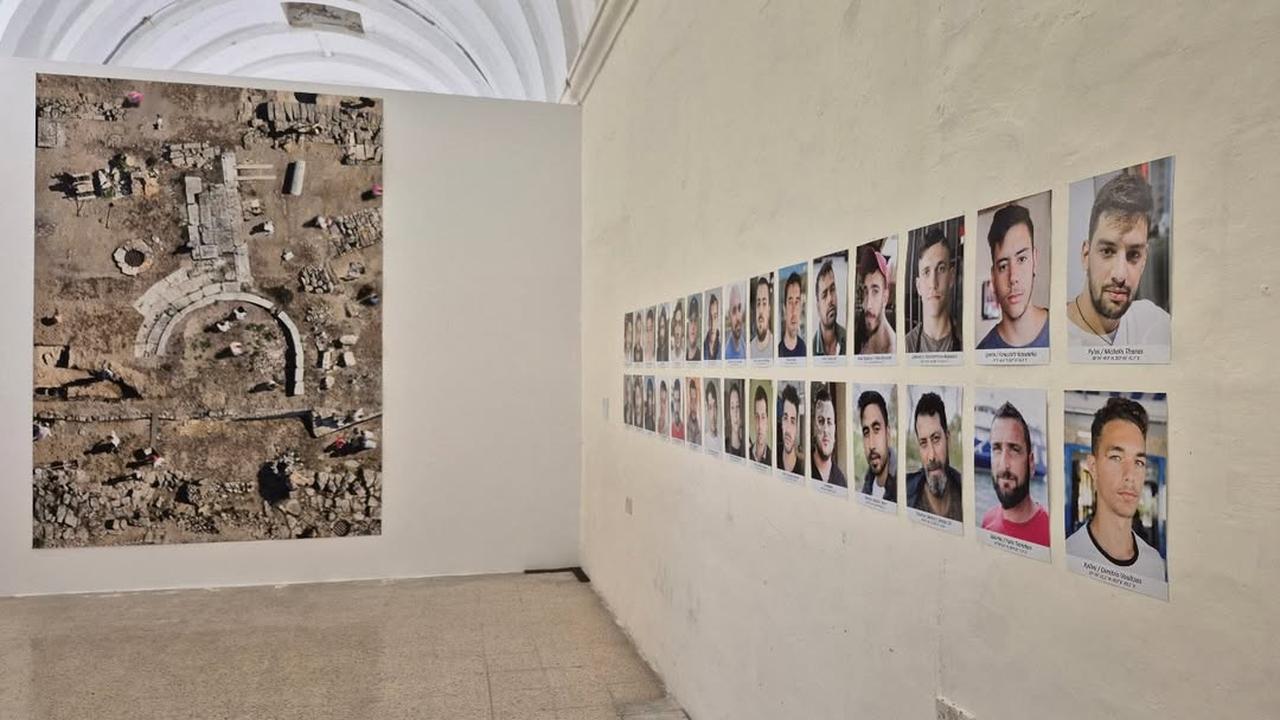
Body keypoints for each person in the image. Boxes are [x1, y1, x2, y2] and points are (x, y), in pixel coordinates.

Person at [1066, 172, 1171, 348]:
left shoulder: (1154, 323)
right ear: (1086, 256)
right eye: (1107, 251)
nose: (1120, 275)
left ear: (1144, 260)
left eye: (1134, 255)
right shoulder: (1056, 335)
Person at [1065, 398, 1165, 578]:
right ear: (1093, 467)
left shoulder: (1155, 565)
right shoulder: (1069, 555)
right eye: (1116, 457)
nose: (1130, 475)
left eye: (1139, 462)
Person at [979, 204, 1049, 349]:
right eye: (1003, 266)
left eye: (1022, 259)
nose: (1013, 278)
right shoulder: (983, 350)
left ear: (1035, 260)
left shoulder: (1065, 330)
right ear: (993, 277)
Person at [980, 402, 1049, 545]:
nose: (1004, 464)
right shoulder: (987, 522)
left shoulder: (1051, 530)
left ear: (1031, 463)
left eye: (1014, 449)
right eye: (997, 449)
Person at [906, 392, 962, 520]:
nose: (931, 456)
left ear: (948, 439)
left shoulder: (965, 492)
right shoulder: (903, 495)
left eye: (936, 439)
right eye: (923, 443)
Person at [905, 228, 960, 353]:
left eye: (941, 269)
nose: (933, 283)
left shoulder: (966, 342)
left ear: (951, 278)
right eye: (926, 272)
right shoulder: (906, 347)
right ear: (918, 286)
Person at [857, 390, 896, 501]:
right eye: (866, 432)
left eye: (876, 429)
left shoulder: (905, 488)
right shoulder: (866, 487)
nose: (871, 445)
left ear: (888, 435)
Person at [855, 248, 895, 355]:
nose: (868, 305)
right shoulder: (861, 333)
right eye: (865, 291)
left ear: (885, 297)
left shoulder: (893, 351)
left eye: (875, 291)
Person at [810, 384, 846, 487]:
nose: (826, 429)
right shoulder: (801, 468)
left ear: (834, 429)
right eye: (821, 421)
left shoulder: (841, 482)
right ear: (814, 427)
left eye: (829, 422)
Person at [812, 258, 846, 355]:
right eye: (824, 295)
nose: (830, 299)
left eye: (832, 289)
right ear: (818, 307)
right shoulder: (811, 349)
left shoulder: (848, 338)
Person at [778, 271, 806, 357]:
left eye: (797, 302)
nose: (794, 310)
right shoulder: (778, 351)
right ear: (784, 309)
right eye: (790, 302)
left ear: (800, 308)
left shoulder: (805, 349)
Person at [777, 384, 803, 474]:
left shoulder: (803, 470)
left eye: (792, 421)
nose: (788, 429)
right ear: (781, 422)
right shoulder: (773, 456)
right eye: (785, 418)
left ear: (796, 427)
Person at [750, 276, 774, 358]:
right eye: (758, 303)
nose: (760, 310)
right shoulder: (749, 349)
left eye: (764, 303)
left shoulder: (776, 347)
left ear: (769, 309)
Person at [750, 384, 772, 464]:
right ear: (753, 420)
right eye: (757, 417)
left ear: (767, 421)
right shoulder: (745, 454)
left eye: (763, 417)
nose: (760, 425)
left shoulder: (773, 459)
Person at [724, 285, 746, 360]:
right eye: (734, 311)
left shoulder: (743, 344)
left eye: (739, 308)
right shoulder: (726, 354)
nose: (738, 317)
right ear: (729, 317)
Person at [725, 382, 745, 457]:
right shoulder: (724, 446)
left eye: (738, 406)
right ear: (729, 413)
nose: (735, 412)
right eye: (732, 407)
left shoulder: (747, 447)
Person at [704, 292, 722, 360]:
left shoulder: (722, 350)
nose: (712, 323)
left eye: (715, 317)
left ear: (718, 319)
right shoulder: (702, 350)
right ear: (707, 320)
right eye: (710, 317)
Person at [686, 295, 702, 362]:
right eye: (691, 321)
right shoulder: (684, 356)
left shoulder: (701, 357)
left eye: (695, 321)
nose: (692, 327)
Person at [705, 380, 721, 446]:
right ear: (707, 410)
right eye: (710, 407)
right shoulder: (704, 441)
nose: (713, 414)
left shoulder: (722, 441)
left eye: (715, 407)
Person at [686, 378, 702, 444]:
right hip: (690, 429)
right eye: (691, 393)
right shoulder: (689, 404)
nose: (693, 395)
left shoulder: (698, 404)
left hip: (697, 429)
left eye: (694, 392)